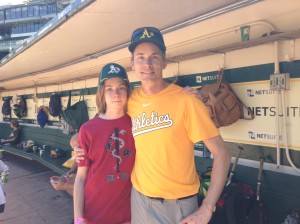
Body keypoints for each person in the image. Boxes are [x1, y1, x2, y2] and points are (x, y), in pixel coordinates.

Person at [75, 27, 231, 224]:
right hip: (139, 201)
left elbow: (222, 153)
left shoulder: (186, 100)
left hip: (178, 205)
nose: (147, 64)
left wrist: (208, 207)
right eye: (140, 57)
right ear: (132, 64)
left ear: (164, 62)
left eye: (154, 57)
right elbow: (99, 125)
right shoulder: (129, 100)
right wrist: (77, 145)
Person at [73, 63, 136, 224]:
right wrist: (78, 219)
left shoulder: (136, 123)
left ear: (128, 90)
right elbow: (80, 179)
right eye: (109, 88)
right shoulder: (88, 129)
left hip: (128, 215)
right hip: (93, 214)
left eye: (121, 87)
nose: (116, 93)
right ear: (102, 92)